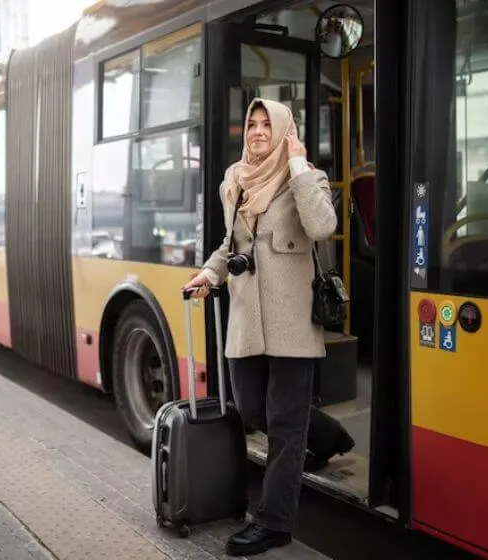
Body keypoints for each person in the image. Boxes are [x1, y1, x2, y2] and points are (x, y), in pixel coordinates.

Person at [183, 97, 337, 556]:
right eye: (251, 124)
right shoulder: (234, 182)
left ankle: (274, 522)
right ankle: (331, 436)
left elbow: (322, 225)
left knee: (286, 429)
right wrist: (210, 274)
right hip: (247, 317)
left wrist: (299, 166)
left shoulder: (306, 179)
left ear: (285, 131)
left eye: (267, 125)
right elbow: (228, 244)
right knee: (253, 409)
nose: (257, 132)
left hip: (291, 321)